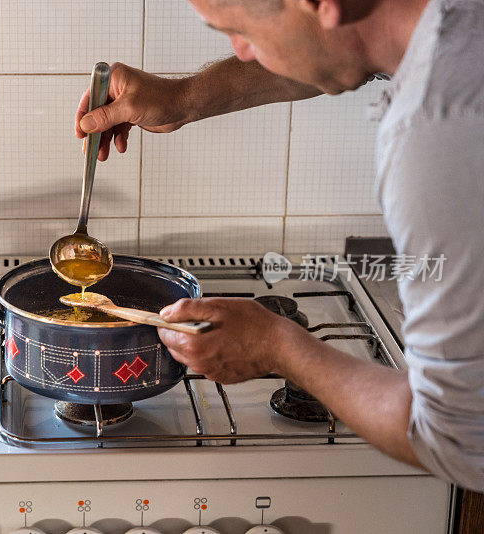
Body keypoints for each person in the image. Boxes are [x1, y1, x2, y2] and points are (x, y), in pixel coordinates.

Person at [74, 0, 484, 491]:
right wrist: (185, 97)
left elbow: (462, 438)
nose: (242, 52)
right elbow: (334, 42)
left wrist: (278, 346)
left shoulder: (441, 128)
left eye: (241, 30)